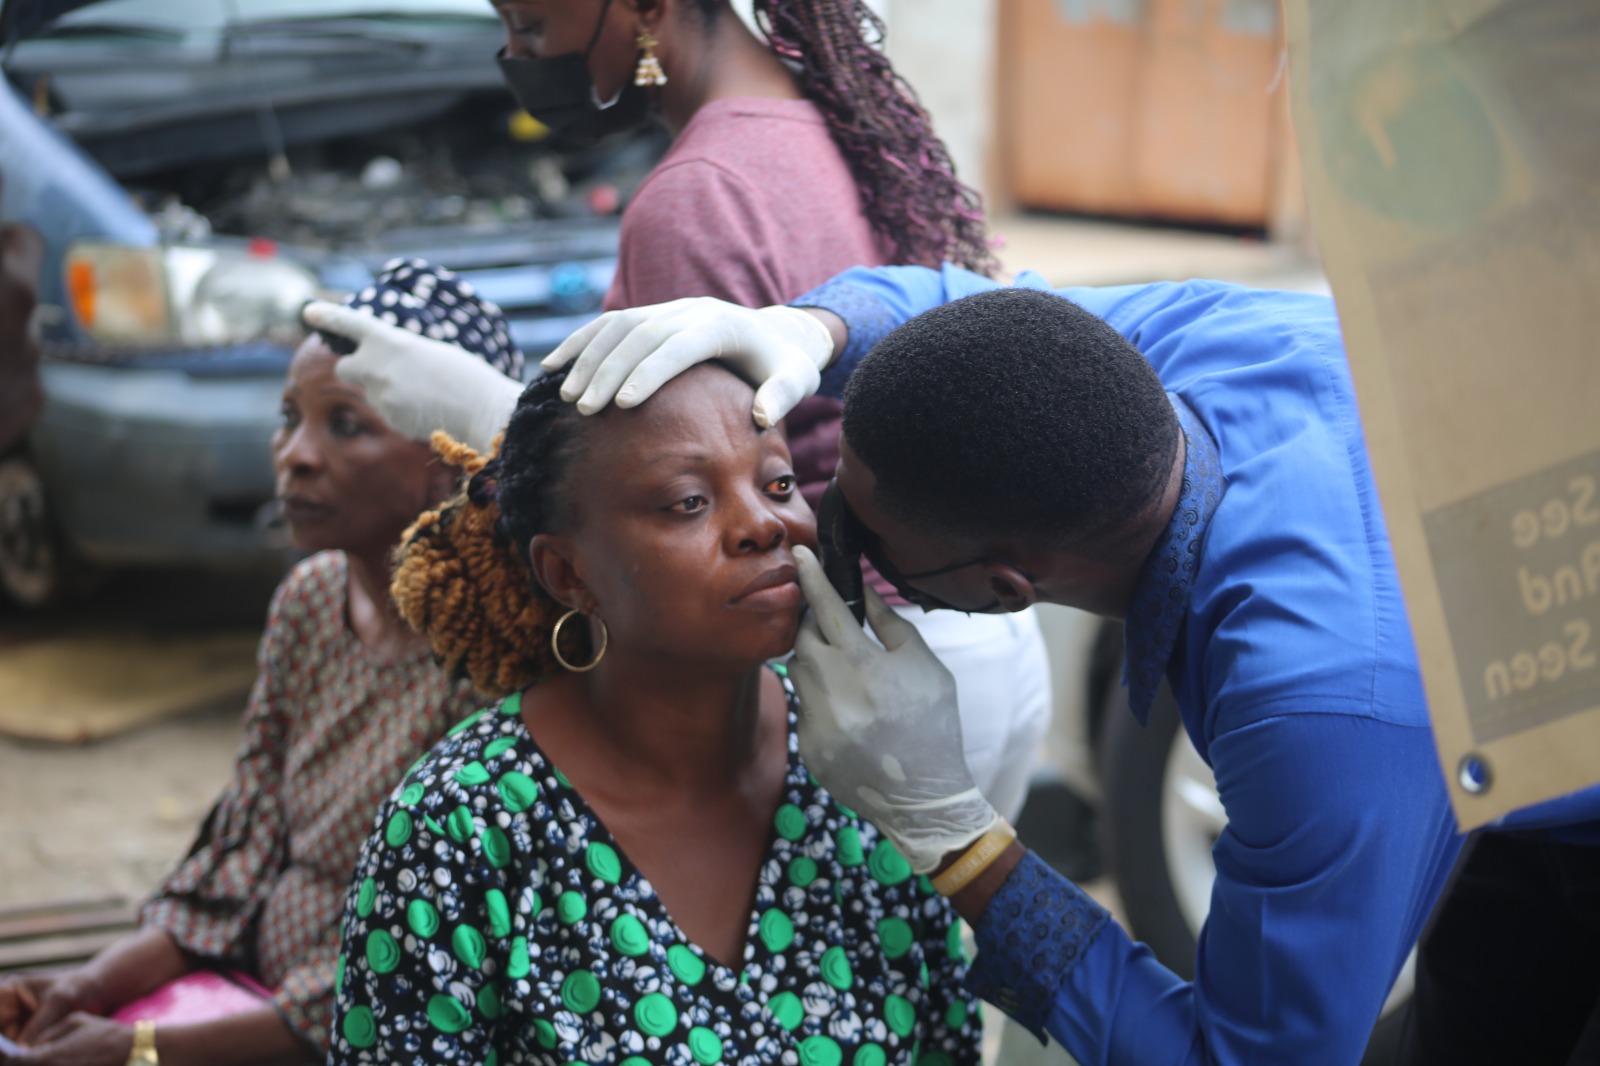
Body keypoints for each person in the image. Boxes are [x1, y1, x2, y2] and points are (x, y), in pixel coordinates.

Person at [483, 264, 1600, 1064]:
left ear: (1006, 587)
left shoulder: (1319, 711)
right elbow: (977, 329)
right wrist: (816, 326)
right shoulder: (1214, 348)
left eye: (861, 542)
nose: (798, 533)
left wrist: (960, 843)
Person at [311, 0, 1052, 824]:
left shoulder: (694, 197)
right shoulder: (818, 118)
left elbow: (657, 465)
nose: (518, 56)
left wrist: (476, 403)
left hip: (867, 680)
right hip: (979, 652)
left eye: (528, 24)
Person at [328, 361, 981, 1065]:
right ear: (569, 574)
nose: (764, 524)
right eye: (688, 501)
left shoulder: (869, 755)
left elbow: (947, 1039)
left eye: (779, 483)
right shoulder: (458, 826)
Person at [0, 261, 521, 1066]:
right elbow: (240, 856)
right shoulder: (308, 603)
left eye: (345, 424)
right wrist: (91, 986)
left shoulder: (485, 660)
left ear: (448, 458)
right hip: (253, 994)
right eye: (289, 418)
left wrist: (140, 1048)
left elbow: (405, 978)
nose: (296, 456)